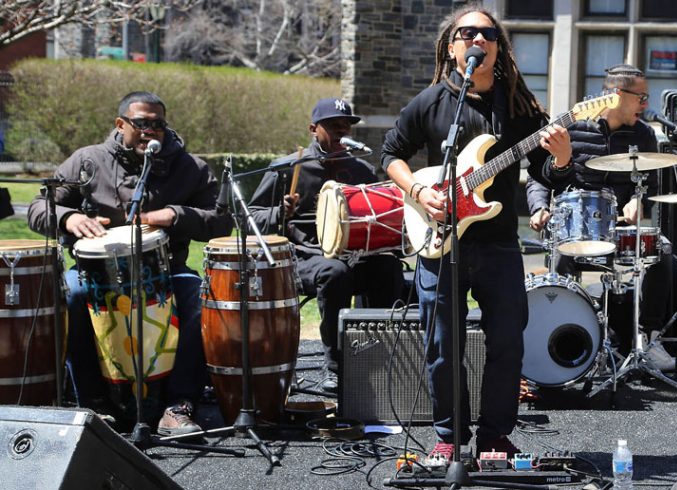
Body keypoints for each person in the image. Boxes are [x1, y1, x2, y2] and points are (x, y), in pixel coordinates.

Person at [381, 6, 571, 461]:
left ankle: (494, 436)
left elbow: (546, 172)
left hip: (500, 244)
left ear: (497, 47)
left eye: (487, 34)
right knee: (444, 345)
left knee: (506, 341)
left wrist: (562, 158)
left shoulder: (520, 107)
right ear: (452, 47)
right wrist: (419, 191)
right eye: (467, 33)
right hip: (440, 241)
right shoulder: (429, 102)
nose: (477, 40)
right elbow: (391, 155)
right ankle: (448, 435)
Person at [27, 91, 232, 436]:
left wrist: (176, 214)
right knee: (75, 295)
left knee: (198, 295)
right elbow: (38, 206)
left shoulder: (189, 167)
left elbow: (221, 220)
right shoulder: (87, 161)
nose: (151, 131)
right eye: (142, 124)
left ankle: (177, 405)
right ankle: (95, 404)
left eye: (158, 124)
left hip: (166, 270)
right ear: (120, 124)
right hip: (95, 274)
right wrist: (67, 218)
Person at [525, 64, 677, 370]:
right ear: (617, 95)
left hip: (618, 230)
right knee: (561, 257)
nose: (645, 105)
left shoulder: (644, 134)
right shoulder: (570, 126)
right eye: (641, 97)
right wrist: (539, 207)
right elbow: (538, 177)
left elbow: (650, 184)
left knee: (663, 253)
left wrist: (638, 200)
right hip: (575, 229)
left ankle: (648, 337)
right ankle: (560, 335)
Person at [248, 98, 405, 391]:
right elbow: (250, 217)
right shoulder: (287, 168)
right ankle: (335, 366)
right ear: (313, 129)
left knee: (388, 267)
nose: (342, 130)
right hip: (303, 259)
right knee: (334, 273)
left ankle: (380, 360)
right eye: (334, 125)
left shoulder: (360, 170)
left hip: (354, 255)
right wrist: (279, 213)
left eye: (346, 125)